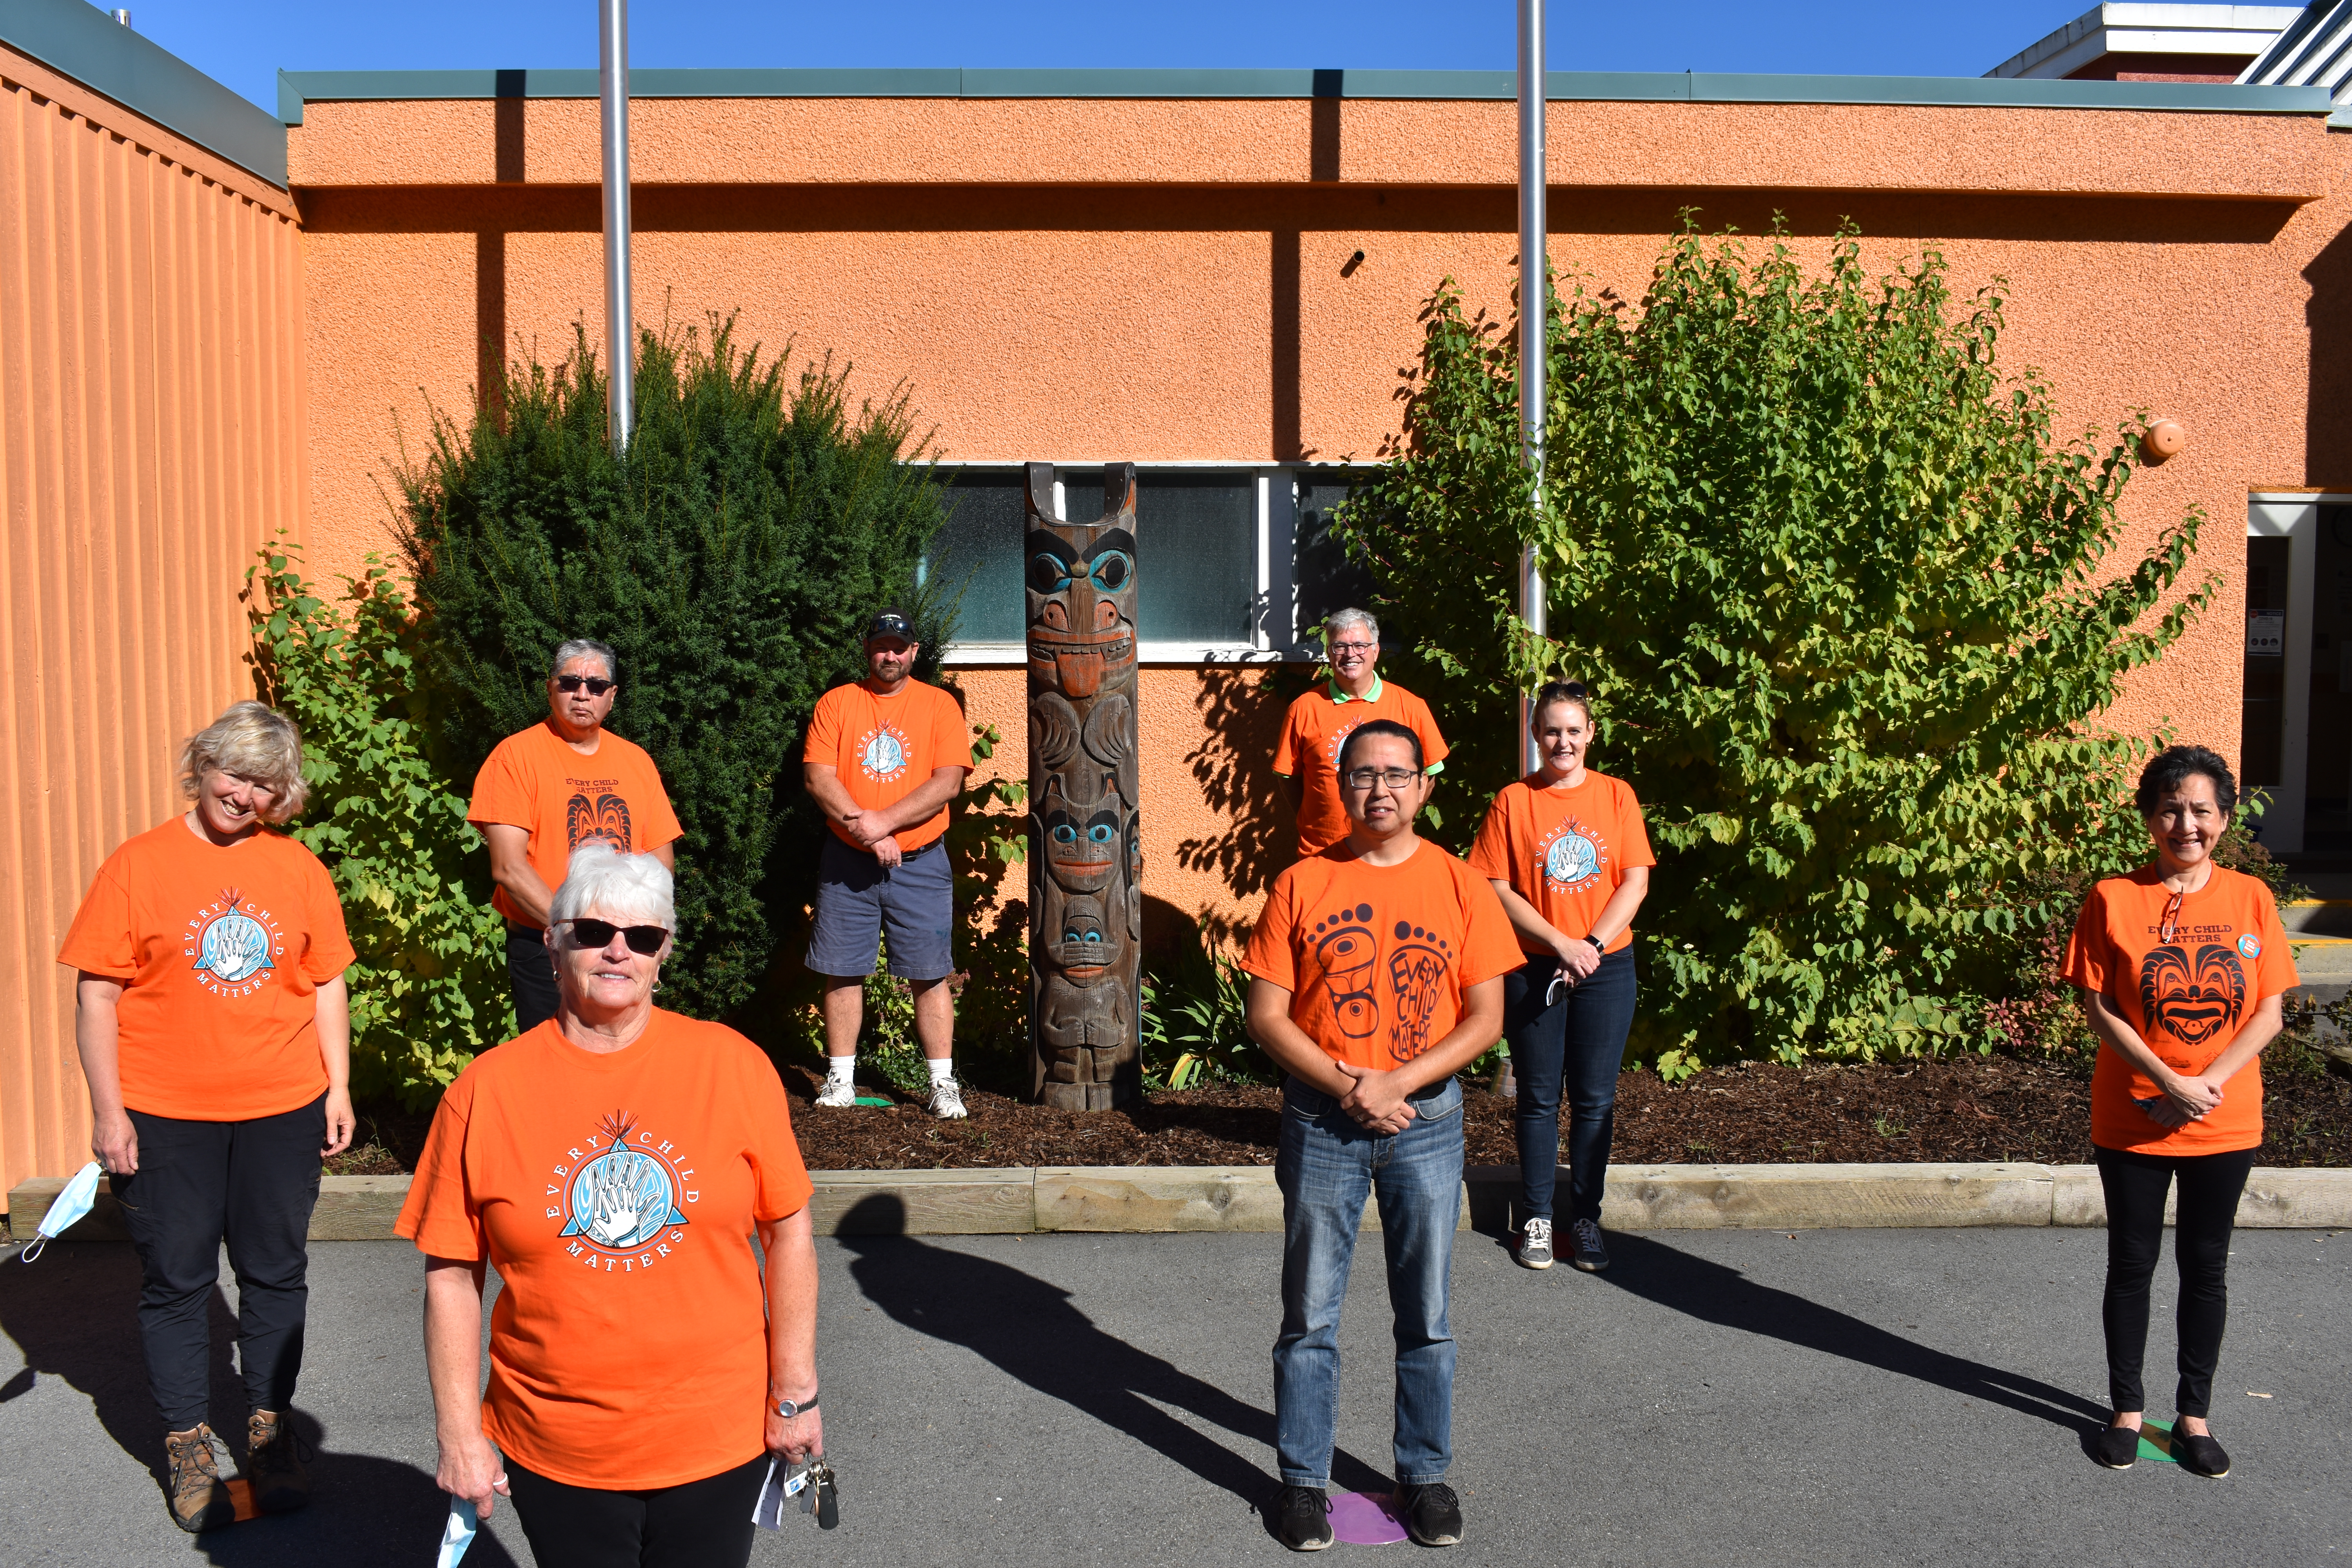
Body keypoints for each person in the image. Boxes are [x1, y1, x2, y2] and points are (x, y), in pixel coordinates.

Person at [397, 842, 823, 1568]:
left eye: (644, 936)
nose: (618, 951)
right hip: (558, 1443)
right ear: (553, 943)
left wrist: (796, 1396)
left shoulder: (732, 1067)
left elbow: (790, 1235)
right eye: (594, 932)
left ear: (664, 953)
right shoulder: (485, 1093)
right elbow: (452, 1275)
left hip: (716, 1435)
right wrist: (459, 1435)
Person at [56, 701, 356, 1533]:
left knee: (275, 1273)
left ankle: (269, 1430)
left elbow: (326, 980)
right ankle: (187, 1444)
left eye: (265, 785)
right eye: (234, 773)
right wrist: (110, 1112)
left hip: (281, 1108)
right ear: (202, 764)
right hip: (164, 1115)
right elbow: (97, 995)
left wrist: (337, 1086)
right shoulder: (136, 865)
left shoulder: (299, 868)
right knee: (178, 1281)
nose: (244, 794)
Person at [1241, 718, 1520, 1551]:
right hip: (1323, 1120)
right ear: (1340, 784)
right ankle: (1302, 1482)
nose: (1381, 789)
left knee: (1426, 1312)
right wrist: (1352, 1086)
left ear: (1424, 786)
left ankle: (1424, 1474)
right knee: (1309, 1314)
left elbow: (1487, 1017)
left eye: (1398, 774)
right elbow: (1267, 1015)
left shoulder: (1461, 884)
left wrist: (1397, 1081)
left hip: (1425, 1121)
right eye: (1364, 774)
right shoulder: (1302, 882)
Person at [2064, 745, 2291, 1479]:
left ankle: (2194, 1415)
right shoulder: (2112, 897)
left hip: (2224, 1119)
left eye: (2200, 810)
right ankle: (2128, 1412)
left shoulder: (2252, 898)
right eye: (2170, 809)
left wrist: (2202, 1085)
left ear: (2224, 820)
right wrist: (2168, 1080)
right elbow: (2099, 1007)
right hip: (2134, 1113)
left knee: (2206, 1266)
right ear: (2149, 817)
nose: (2185, 824)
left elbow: (2269, 1012)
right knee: (2132, 1264)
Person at [1467, 680, 1653, 1273]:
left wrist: (1591, 946)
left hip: (1606, 967)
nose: (1563, 741)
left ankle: (1586, 1218)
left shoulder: (1617, 795)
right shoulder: (1513, 801)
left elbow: (1635, 880)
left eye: (1574, 730)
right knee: (1539, 1098)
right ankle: (1538, 1217)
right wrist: (1560, 943)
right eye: (1552, 731)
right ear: (1535, 734)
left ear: (1591, 733)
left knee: (1595, 1101)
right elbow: (1494, 885)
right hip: (1535, 966)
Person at [802, 607, 974, 1118]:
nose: (890, 655)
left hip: (921, 862)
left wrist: (883, 824)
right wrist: (869, 832)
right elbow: (818, 778)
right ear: (867, 649)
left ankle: (942, 1084)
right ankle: (841, 1079)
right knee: (842, 971)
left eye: (899, 647)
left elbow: (948, 782)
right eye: (881, 646)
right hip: (847, 863)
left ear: (914, 652)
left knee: (930, 974)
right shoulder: (838, 703)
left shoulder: (939, 706)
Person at [468, 638, 682, 1035]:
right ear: (551, 688)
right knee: (554, 1058)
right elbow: (509, 868)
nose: (583, 694)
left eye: (596, 686)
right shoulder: (515, 758)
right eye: (570, 683)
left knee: (622, 1051)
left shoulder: (636, 761)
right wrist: (577, 933)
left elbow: (660, 864)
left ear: (612, 697)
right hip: (547, 946)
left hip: (626, 948)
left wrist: (638, 937)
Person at [1274, 608, 1450, 860]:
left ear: (1376, 651)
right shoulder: (1304, 708)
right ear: (1329, 653)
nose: (1350, 654)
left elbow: (1429, 775)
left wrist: (1399, 820)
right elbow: (1289, 779)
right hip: (1322, 854)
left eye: (1360, 645)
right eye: (1340, 647)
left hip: (1388, 854)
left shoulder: (1411, 707)